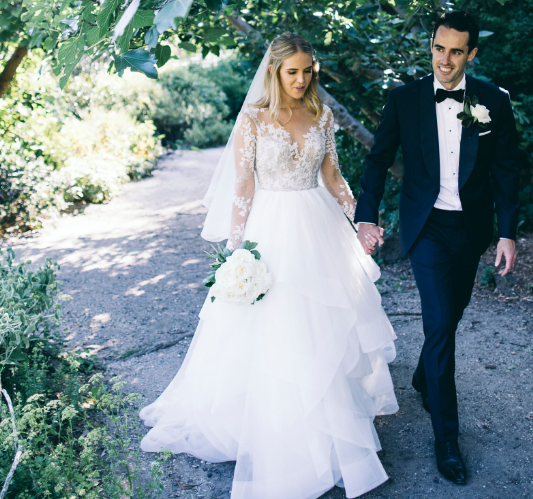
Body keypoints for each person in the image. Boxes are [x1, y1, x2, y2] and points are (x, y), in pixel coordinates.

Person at [139, 32, 398, 499]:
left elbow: (332, 175)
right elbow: (242, 185)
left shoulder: (321, 114)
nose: (301, 80)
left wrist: (360, 220)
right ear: (275, 71)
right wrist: (239, 251)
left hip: (318, 225)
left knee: (323, 323)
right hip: (271, 231)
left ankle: (330, 420)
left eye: (307, 71)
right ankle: (273, 429)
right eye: (292, 71)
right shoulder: (255, 120)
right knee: (275, 327)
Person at [355, 11, 520, 486]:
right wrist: (367, 214)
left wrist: (507, 232)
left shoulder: (493, 100)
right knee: (440, 324)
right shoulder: (404, 100)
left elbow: (508, 169)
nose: (444, 60)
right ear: (431, 46)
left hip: (471, 229)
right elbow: (378, 159)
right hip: (425, 226)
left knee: (453, 313)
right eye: (437, 48)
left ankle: (426, 377)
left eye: (455, 51)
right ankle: (446, 437)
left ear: (471, 54)